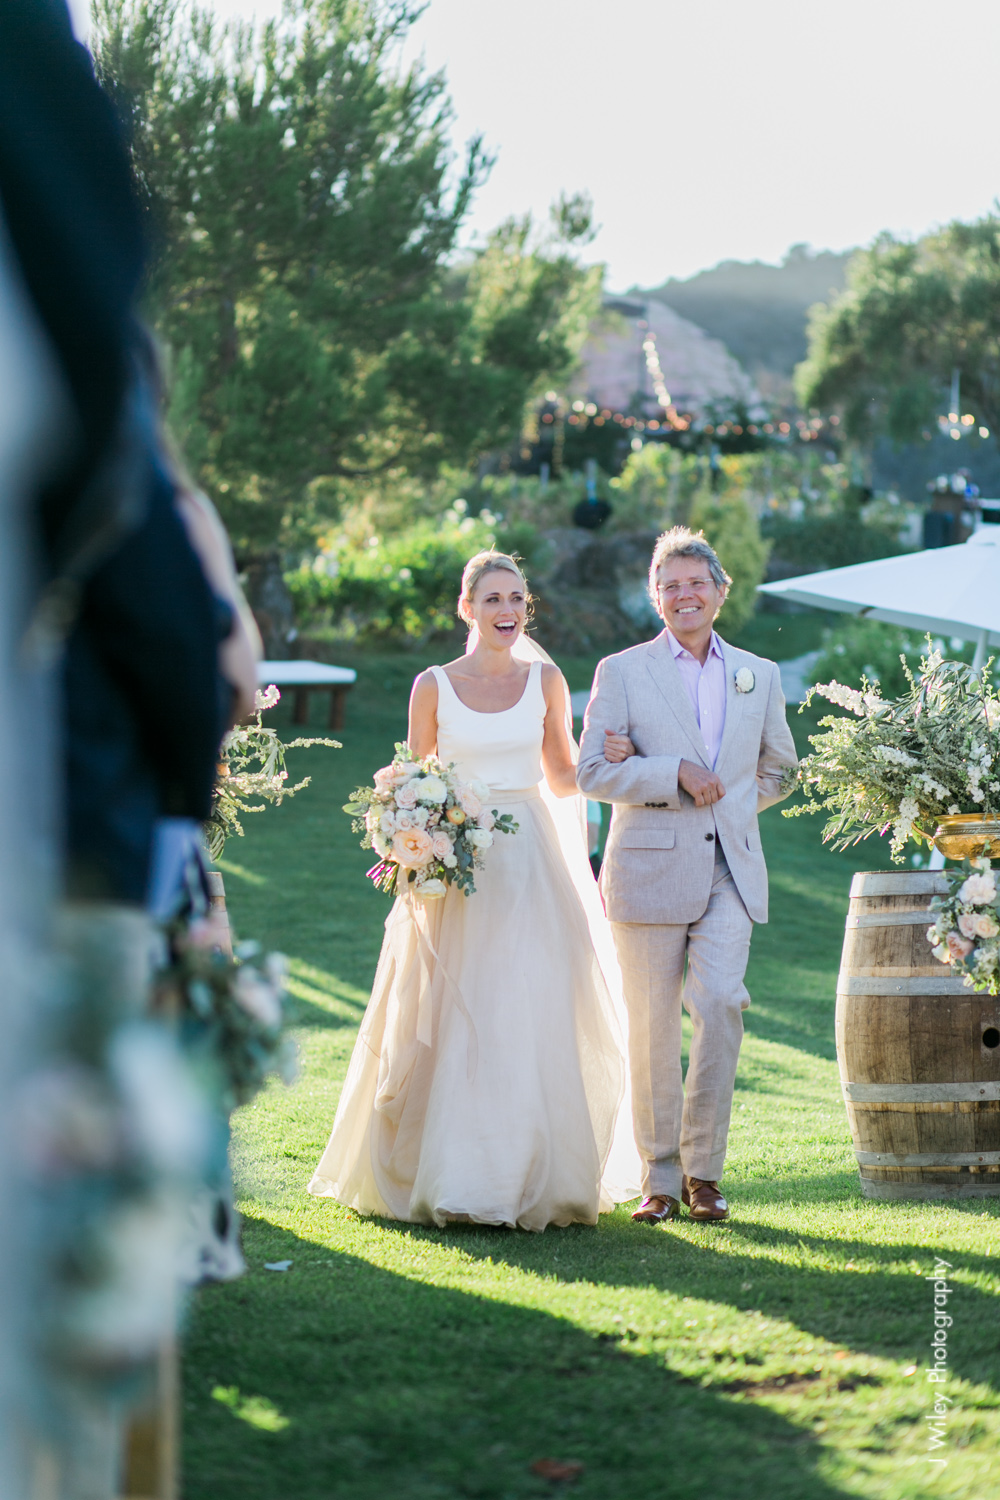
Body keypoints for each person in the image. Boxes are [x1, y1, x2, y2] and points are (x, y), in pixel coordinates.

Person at [309, 550, 640, 1229]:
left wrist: (611, 761)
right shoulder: (433, 684)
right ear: (466, 608)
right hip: (457, 870)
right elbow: (412, 778)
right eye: (492, 599)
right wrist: (411, 837)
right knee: (456, 1013)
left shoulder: (545, 680)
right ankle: (454, 1174)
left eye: (516, 598)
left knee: (530, 1008)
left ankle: (533, 1176)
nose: (507, 611)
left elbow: (559, 776)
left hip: (529, 865)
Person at [577, 527, 797, 1225]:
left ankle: (705, 1175)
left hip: (730, 870)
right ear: (655, 597)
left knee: (722, 1003)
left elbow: (781, 769)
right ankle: (660, 1178)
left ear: (721, 591)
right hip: (647, 871)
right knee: (650, 1029)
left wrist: (730, 804)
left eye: (695, 582)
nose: (683, 595)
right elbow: (593, 771)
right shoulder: (622, 671)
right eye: (668, 585)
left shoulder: (759, 673)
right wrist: (671, 773)